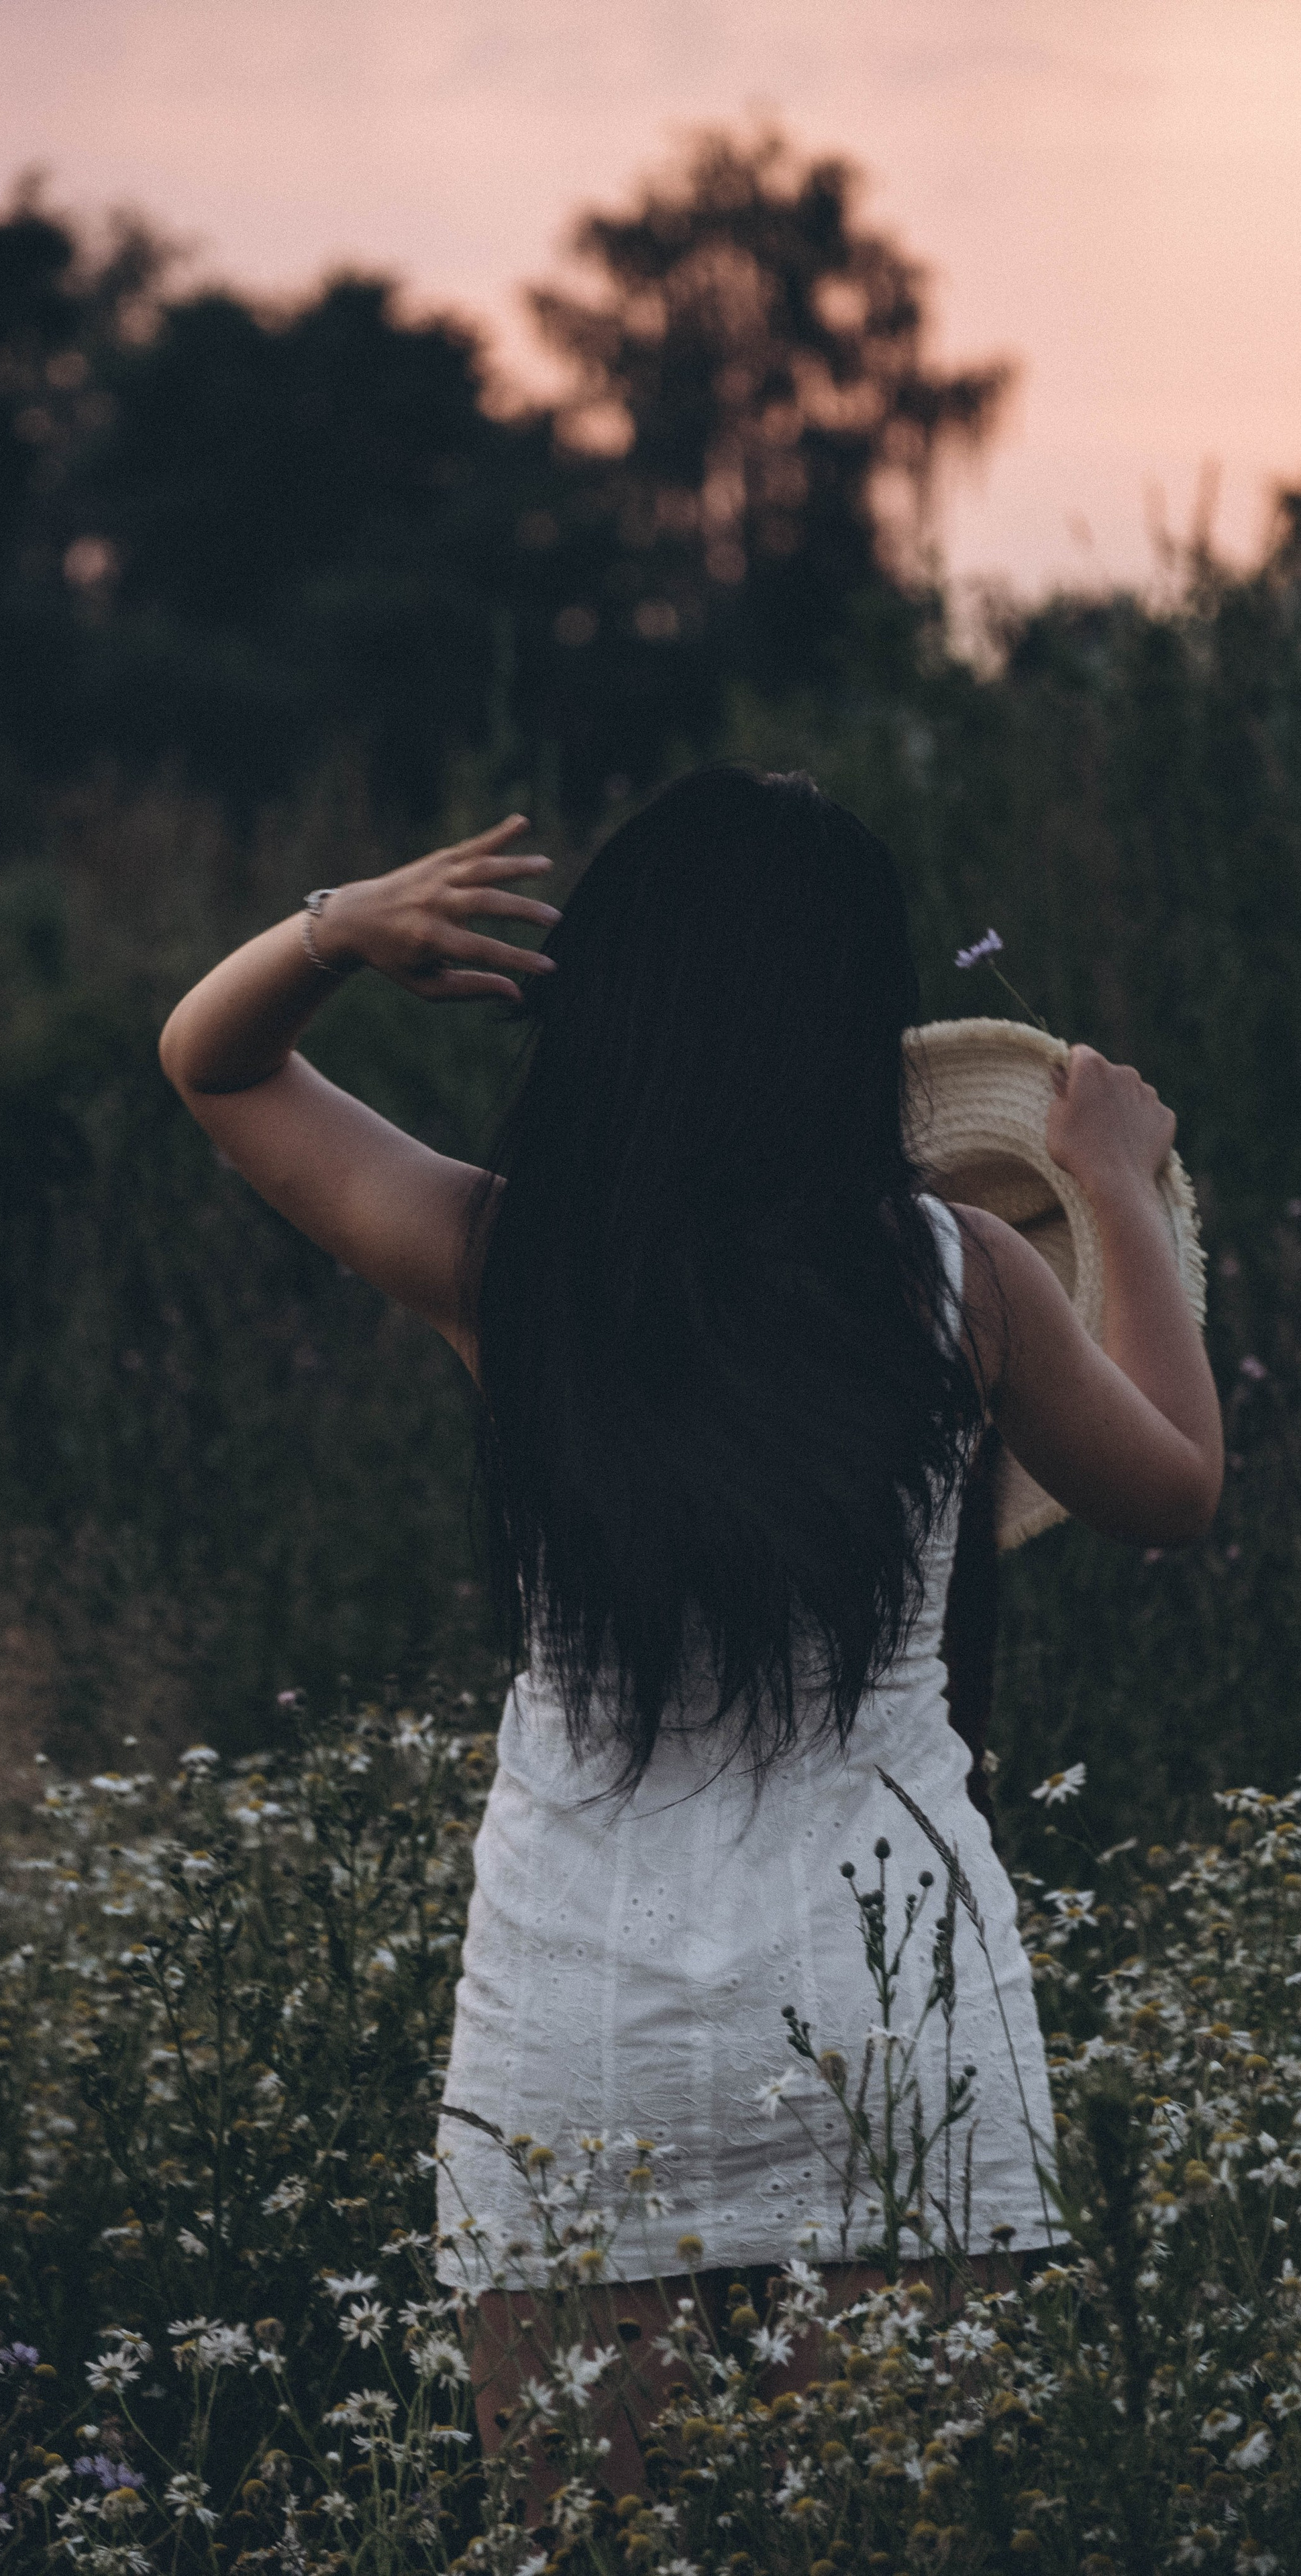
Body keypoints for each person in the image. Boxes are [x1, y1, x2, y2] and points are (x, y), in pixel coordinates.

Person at [158, 765, 1222, 2491]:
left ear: (614, 1005)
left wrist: (333, 931)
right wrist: (1104, 1181)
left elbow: (212, 1063)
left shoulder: (504, 1261)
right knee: (893, 2535)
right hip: (895, 2001)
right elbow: (1173, 1489)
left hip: (582, 2026)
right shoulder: (952, 1276)